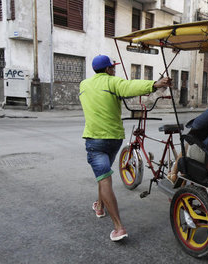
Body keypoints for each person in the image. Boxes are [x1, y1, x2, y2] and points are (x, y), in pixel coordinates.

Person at [79, 55, 171, 241]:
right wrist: (155, 84)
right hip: (114, 140)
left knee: (104, 177)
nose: (114, 70)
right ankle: (100, 206)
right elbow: (131, 87)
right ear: (107, 70)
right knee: (103, 175)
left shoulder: (84, 85)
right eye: (112, 68)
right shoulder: (113, 82)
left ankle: (119, 228)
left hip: (94, 139)